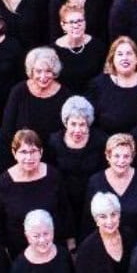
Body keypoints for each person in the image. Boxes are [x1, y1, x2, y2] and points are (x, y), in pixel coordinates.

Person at [0, 129, 72, 257]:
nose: (29, 157)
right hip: (19, 253)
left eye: (33, 151)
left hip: (53, 248)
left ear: (41, 152)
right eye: (23, 152)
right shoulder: (4, 183)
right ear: (14, 153)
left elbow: (65, 211)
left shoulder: (53, 176)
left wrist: (70, 245)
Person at [85, 132, 137, 240]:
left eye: (126, 156)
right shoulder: (95, 182)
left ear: (132, 157)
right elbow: (88, 220)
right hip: (106, 243)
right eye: (116, 156)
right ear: (108, 156)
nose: (121, 161)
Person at [49, 95, 107, 225]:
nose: (77, 130)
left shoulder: (101, 141)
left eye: (82, 125)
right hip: (64, 202)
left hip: (92, 200)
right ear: (65, 123)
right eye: (73, 124)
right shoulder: (54, 142)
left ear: (89, 124)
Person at [89, 35, 137, 136]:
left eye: (129, 54)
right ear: (112, 60)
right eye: (119, 54)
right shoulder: (99, 84)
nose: (125, 58)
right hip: (112, 145)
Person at [0, 46, 71, 140]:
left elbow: (67, 131)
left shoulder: (65, 95)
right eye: (38, 71)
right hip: (24, 151)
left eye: (48, 71)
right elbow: (7, 128)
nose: (43, 76)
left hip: (54, 152)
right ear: (31, 72)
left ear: (54, 71)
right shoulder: (19, 91)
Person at [53, 0, 108, 91]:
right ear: (63, 25)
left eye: (79, 21)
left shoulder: (99, 47)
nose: (76, 25)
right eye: (71, 22)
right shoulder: (53, 52)